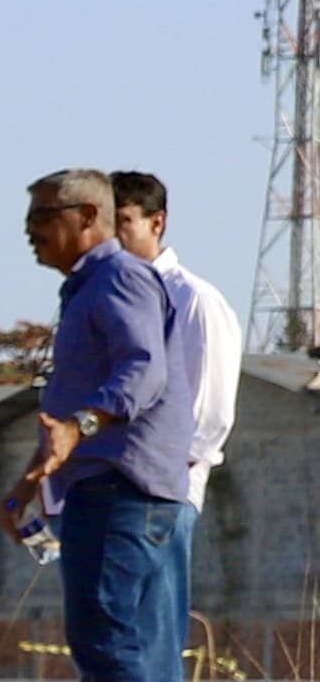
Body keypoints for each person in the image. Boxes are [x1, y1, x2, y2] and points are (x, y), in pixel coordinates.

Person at [13, 168, 203, 682]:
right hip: (125, 485)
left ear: (87, 216)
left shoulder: (116, 277)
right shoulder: (93, 287)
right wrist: (36, 475)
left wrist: (81, 426)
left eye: (43, 215)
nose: (29, 230)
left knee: (111, 631)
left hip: (122, 486)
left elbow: (141, 370)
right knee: (138, 636)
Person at [116, 171, 247, 500]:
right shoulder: (109, 299)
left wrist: (161, 475)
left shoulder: (192, 299)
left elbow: (209, 410)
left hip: (158, 492)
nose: (112, 238)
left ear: (157, 223)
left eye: (123, 223)